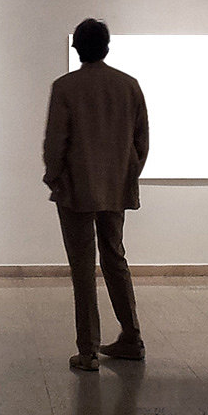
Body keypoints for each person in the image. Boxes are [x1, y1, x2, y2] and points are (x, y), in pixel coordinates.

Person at [42, 18, 149, 371]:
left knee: (83, 268)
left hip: (76, 189)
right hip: (115, 189)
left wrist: (54, 176)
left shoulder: (65, 87)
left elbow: (56, 142)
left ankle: (88, 350)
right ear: (106, 47)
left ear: (77, 48)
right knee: (115, 259)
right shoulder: (129, 86)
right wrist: (126, 175)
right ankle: (131, 337)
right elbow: (141, 142)